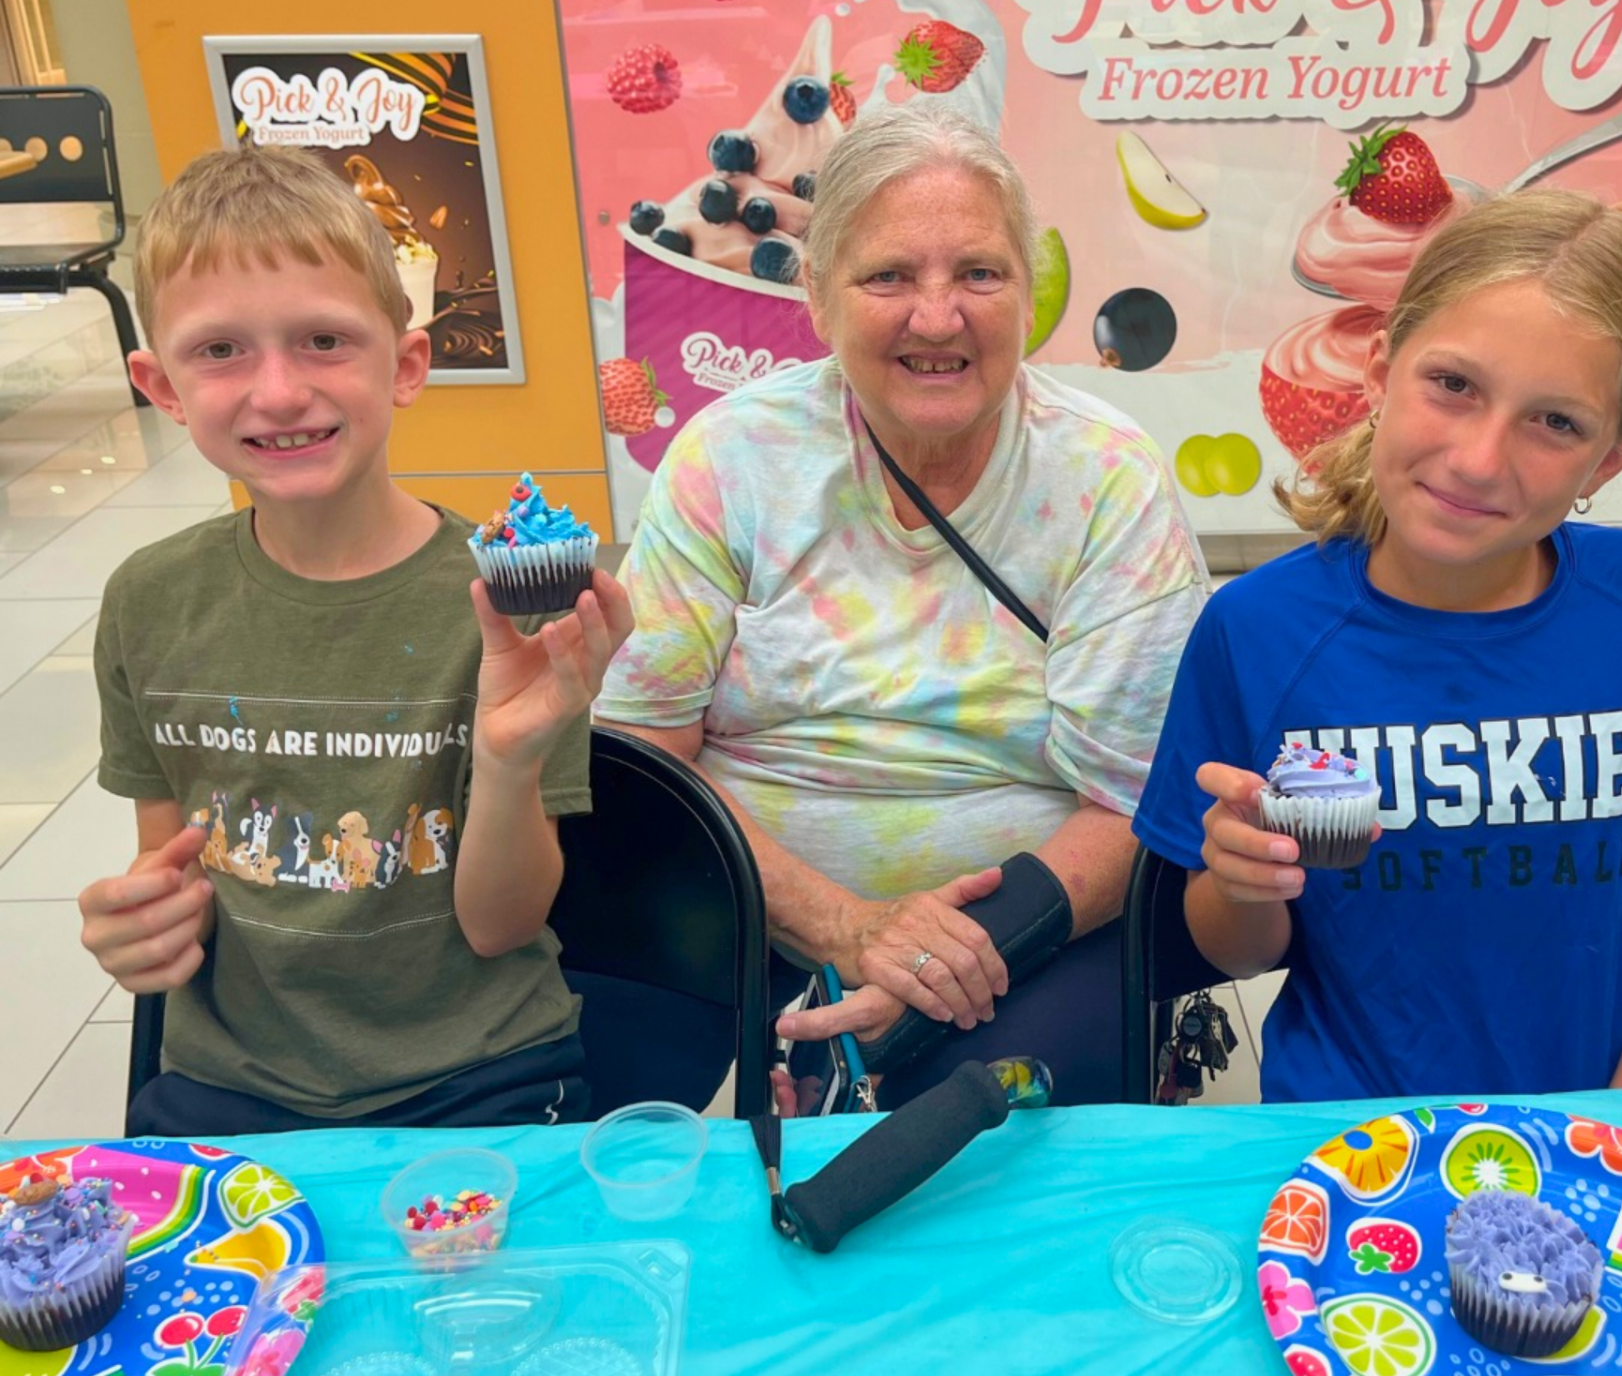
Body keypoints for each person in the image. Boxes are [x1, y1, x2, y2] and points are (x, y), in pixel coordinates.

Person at [595, 100, 1209, 1107]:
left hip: (1030, 934)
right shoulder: (732, 459)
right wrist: (849, 929)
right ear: (817, 296)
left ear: (1027, 291)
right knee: (663, 1126)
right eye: (887, 276)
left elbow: (1135, 801)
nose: (937, 317)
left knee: (1007, 1123)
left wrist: (941, 963)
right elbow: (644, 756)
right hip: (742, 910)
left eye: (980, 274)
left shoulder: (1106, 478)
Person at [1134, 189, 1622, 1104]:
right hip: (1352, 1131)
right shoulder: (1258, 632)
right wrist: (1242, 884)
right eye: (1453, 385)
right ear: (1380, 372)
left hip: (1601, 1122)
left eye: (1556, 422)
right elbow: (1234, 952)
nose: (1480, 460)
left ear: (1610, 457)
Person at [78, 145, 634, 1135]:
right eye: (220, 350)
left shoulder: (506, 603)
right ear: (161, 387)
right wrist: (142, 926)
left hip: (481, 1076)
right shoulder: (146, 603)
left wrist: (509, 759)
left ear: (406, 365)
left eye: (324, 340)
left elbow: (502, 927)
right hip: (230, 1081)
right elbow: (172, 863)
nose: (278, 391)